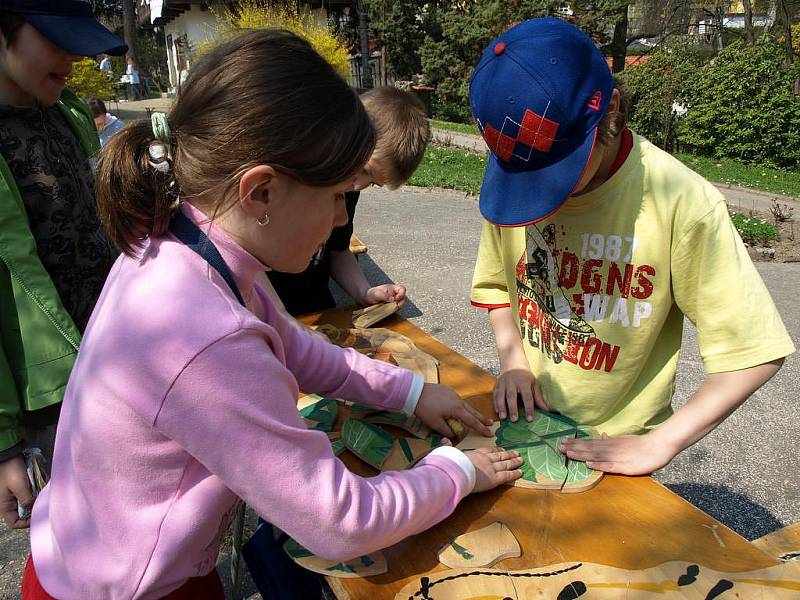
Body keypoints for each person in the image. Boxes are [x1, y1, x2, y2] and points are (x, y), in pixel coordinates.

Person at [25, 30, 522, 599]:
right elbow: (339, 522)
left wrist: (410, 393)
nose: (342, 221)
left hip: (98, 555)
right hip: (128, 587)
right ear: (260, 192)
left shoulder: (187, 245)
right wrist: (460, 472)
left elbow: (294, 346)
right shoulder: (204, 334)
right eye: (336, 195)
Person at [468, 18, 794, 476]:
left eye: (557, 175)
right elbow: (498, 285)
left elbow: (754, 352)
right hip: (530, 418)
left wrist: (661, 444)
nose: (543, 199)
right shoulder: (519, 179)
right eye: (530, 183)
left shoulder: (681, 202)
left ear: (612, 112)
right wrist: (514, 360)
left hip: (616, 445)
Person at [0, 1, 125, 533]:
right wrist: (4, 442)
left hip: (115, 352)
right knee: (82, 537)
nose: (74, 56)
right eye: (55, 39)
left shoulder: (66, 112)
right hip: (50, 393)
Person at [267, 86, 430, 316]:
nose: (357, 185)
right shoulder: (290, 182)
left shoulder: (349, 186)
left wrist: (365, 292)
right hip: (267, 316)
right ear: (344, 133)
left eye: (372, 183)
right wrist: (284, 325)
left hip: (316, 308)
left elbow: (337, 249)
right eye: (364, 170)